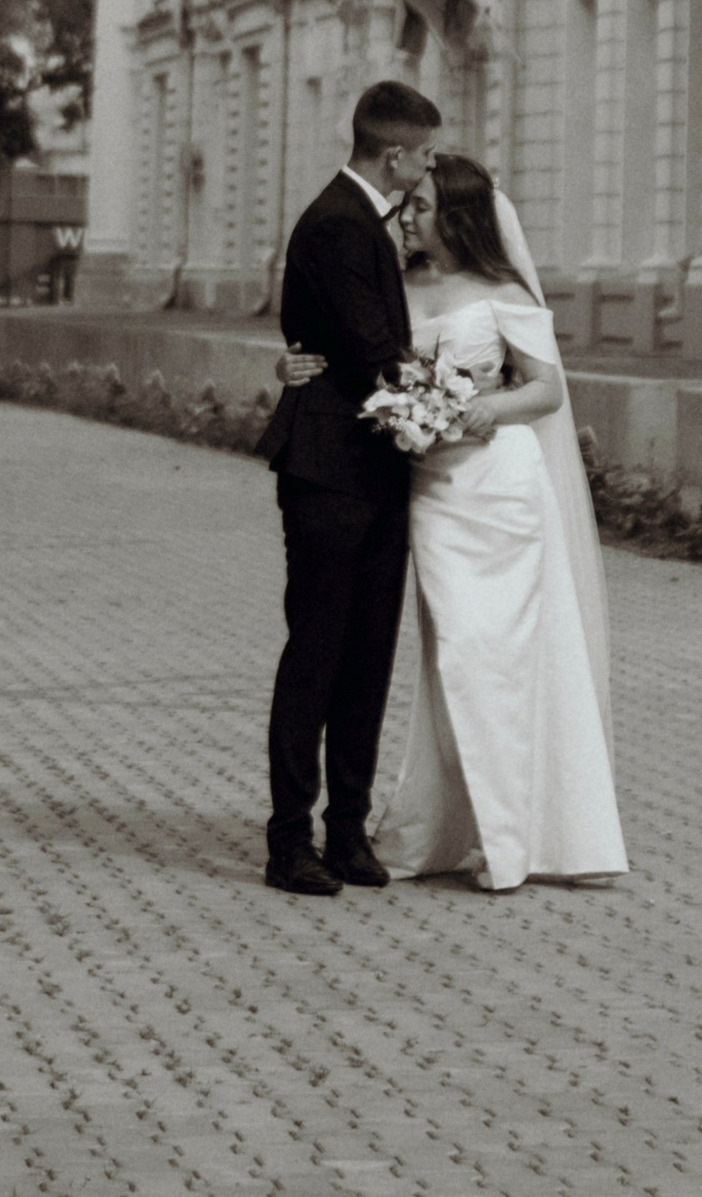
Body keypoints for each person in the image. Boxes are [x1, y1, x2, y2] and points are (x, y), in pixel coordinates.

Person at [277, 150, 627, 894]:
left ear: (459, 218)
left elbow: (546, 390)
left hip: (497, 485)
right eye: (409, 204)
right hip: (430, 491)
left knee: (498, 656)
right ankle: (448, 824)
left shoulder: (504, 291)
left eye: (423, 206)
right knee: (453, 660)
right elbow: (354, 349)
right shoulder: (397, 284)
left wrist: (480, 409)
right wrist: (292, 364)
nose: (408, 215)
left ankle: (516, 834)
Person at [255, 78, 441, 897]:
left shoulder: (367, 220)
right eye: (424, 153)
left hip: (376, 467)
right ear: (393, 154)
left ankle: (348, 831)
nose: (428, 166)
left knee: (368, 657)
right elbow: (373, 352)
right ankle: (288, 840)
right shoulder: (337, 222)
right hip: (329, 470)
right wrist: (459, 405)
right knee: (318, 653)